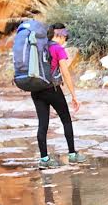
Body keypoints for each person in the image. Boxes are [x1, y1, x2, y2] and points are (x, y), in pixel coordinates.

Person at [33, 23, 81, 167]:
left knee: (42, 124)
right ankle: (72, 155)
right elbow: (65, 73)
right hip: (52, 90)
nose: (64, 40)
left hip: (36, 90)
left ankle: (44, 159)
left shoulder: (38, 47)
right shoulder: (57, 49)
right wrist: (73, 95)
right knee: (66, 120)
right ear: (58, 35)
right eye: (64, 37)